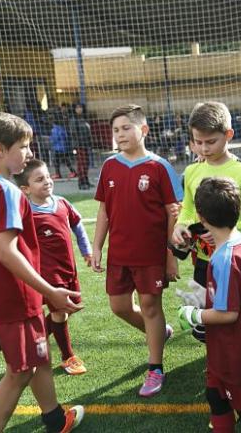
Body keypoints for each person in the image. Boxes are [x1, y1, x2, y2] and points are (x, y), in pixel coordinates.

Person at [0, 109, 84, 432]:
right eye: (23, 146)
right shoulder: (6, 191)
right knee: (19, 372)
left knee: (39, 357)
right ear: (0, 149)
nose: (30, 153)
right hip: (17, 298)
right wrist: (51, 292)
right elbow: (6, 252)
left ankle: (55, 419)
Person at [92, 104, 183, 397]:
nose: (120, 134)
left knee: (150, 307)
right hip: (119, 254)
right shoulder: (109, 166)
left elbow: (174, 215)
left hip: (150, 256)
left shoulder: (159, 167)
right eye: (116, 130)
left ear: (143, 130)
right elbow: (104, 210)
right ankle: (160, 332)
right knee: (118, 307)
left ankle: (155, 368)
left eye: (126, 128)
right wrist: (97, 246)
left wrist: (171, 258)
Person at [178, 177, 241, 433]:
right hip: (228, 346)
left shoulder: (225, 259)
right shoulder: (240, 239)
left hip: (238, 351)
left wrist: (194, 314)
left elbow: (228, 313)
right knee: (214, 395)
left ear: (200, 216)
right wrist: (204, 296)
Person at [172, 102, 241, 290]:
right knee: (206, 316)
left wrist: (225, 233)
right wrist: (181, 226)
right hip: (203, 261)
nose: (204, 149)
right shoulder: (192, 171)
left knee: (237, 316)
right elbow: (188, 209)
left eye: (210, 142)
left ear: (228, 135)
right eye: (198, 142)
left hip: (237, 258)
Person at [13, 159, 92, 376]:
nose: (47, 181)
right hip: (47, 275)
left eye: (47, 176)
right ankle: (68, 357)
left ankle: (31, 344)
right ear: (25, 189)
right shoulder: (25, 213)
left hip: (69, 270)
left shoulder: (62, 203)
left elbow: (77, 224)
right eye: (39, 179)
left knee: (68, 308)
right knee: (61, 311)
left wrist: (86, 250)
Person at [69, 103, 93, 190]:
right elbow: (73, 134)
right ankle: (81, 183)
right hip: (79, 146)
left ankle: (86, 180)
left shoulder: (84, 119)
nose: (79, 109)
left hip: (86, 145)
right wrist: (75, 147)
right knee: (81, 164)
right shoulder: (73, 120)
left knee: (86, 164)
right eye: (77, 107)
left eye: (80, 107)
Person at [49, 113, 76, 180]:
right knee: (65, 161)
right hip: (63, 148)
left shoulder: (55, 129)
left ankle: (59, 174)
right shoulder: (62, 128)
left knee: (58, 162)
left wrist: (51, 140)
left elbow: (54, 139)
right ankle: (71, 172)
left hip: (58, 149)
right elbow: (65, 137)